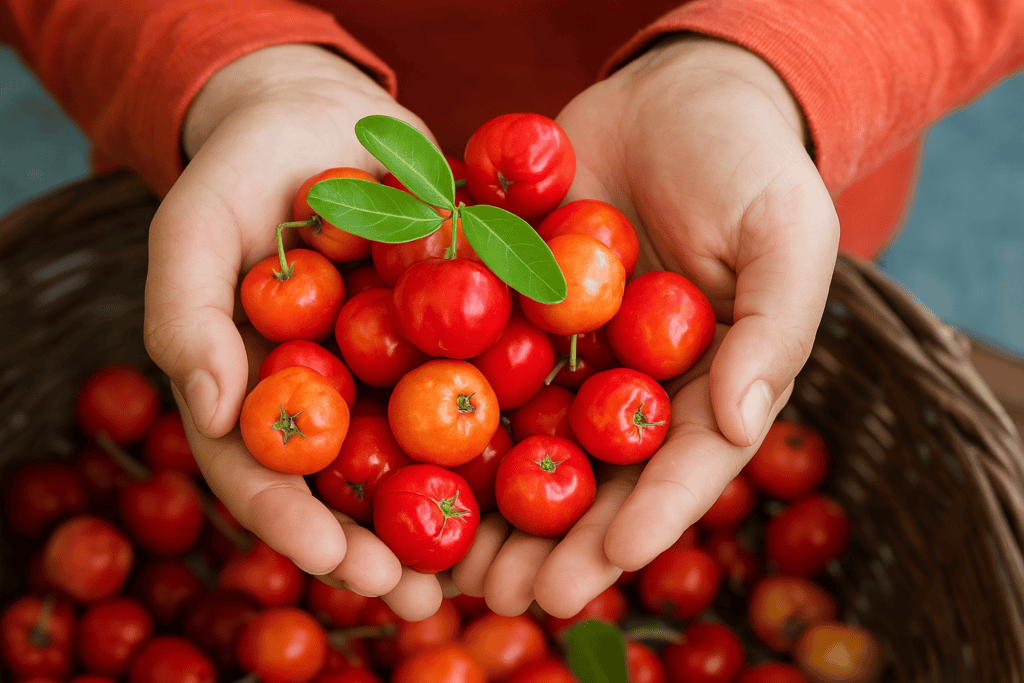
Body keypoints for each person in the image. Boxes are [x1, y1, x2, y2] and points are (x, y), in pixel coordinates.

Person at [2, 0, 1023, 622]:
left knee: (772, 304)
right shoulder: (399, 311)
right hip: (294, 158)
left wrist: (781, 67)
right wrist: (225, 68)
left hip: (726, 181)